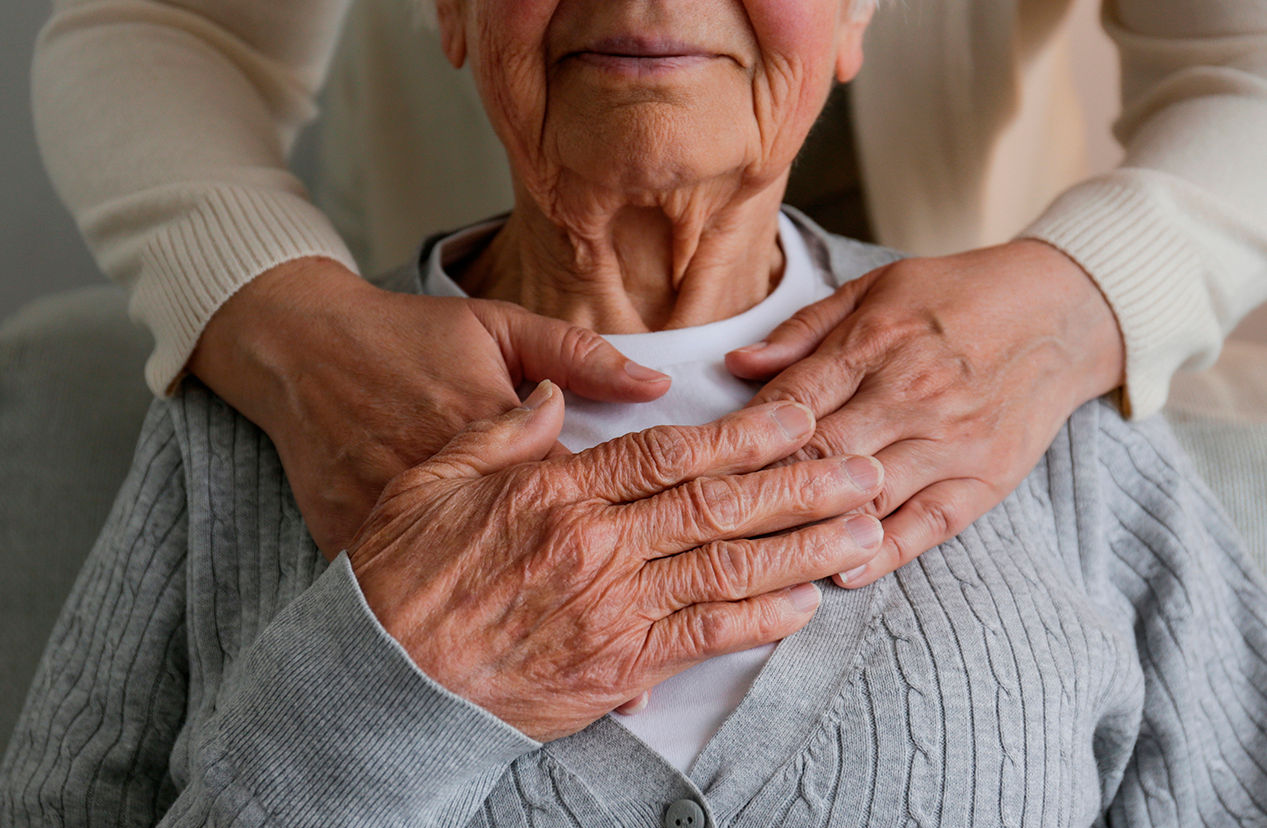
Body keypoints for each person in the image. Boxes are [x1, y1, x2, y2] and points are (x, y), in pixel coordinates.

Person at [5, 0, 1266, 828]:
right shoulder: (265, 415)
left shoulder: (1037, 412)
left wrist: (1085, 297)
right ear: (450, 11)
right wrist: (387, 687)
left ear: (855, 14)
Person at [31, 0, 1267, 587]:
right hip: (427, 346)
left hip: (978, 341)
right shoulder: (232, 463)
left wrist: (1077, 298)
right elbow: (164, 20)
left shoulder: (1089, 486)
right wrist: (285, 320)